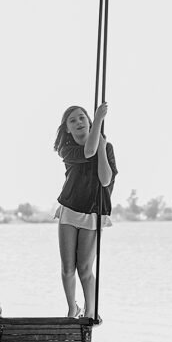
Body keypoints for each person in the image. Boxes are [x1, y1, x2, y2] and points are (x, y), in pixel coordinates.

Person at [53, 102, 117, 321]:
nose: (78, 122)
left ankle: (91, 312)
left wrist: (101, 145)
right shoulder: (67, 149)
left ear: (88, 121)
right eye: (72, 120)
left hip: (93, 212)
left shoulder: (106, 146)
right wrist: (99, 118)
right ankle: (73, 308)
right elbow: (87, 152)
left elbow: (105, 179)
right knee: (67, 267)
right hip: (70, 209)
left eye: (82, 117)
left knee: (85, 268)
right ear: (67, 129)